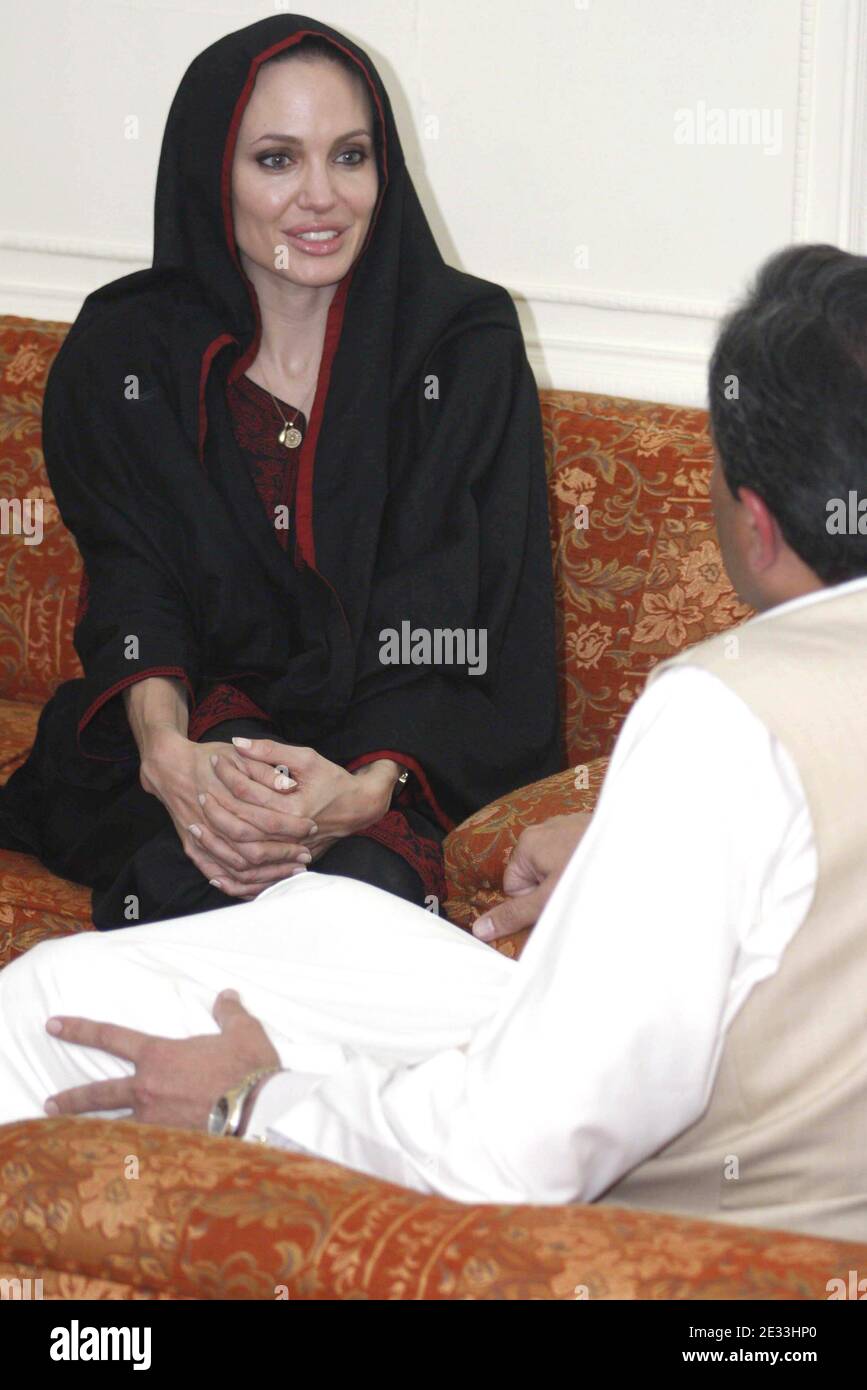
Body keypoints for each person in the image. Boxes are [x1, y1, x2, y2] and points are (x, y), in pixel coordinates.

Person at [3, 241, 866, 1242]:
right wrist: (632, 839)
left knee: (47, 1004)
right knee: (338, 919)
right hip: (731, 1105)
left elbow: (510, 1153)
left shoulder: (727, 708)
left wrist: (248, 1103)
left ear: (752, 521)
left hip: (681, 1223)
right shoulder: (748, 739)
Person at [0, 15, 561, 928]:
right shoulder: (126, 349)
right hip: (194, 728)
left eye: (350, 156)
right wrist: (167, 752)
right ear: (209, 171)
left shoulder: (461, 348)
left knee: (355, 902)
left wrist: (368, 786)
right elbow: (133, 582)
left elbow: (458, 602)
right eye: (275, 160)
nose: (322, 197)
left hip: (399, 736)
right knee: (190, 879)